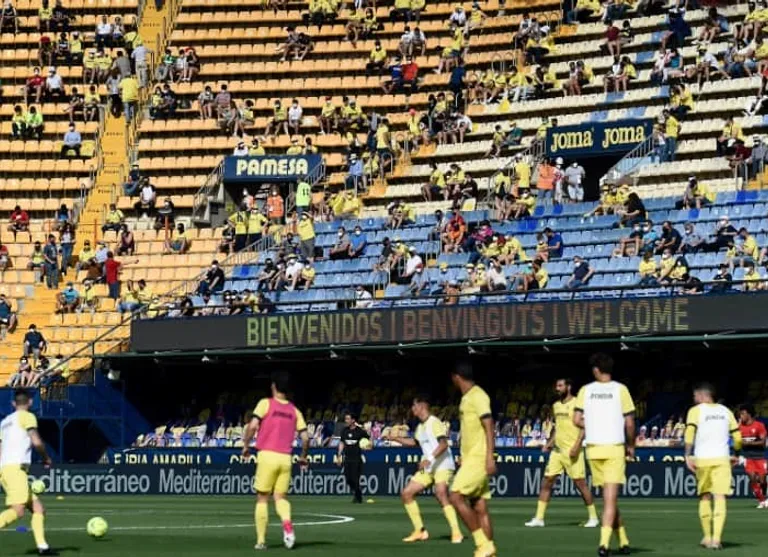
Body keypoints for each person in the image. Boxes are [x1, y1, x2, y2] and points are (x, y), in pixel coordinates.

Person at [573, 353, 634, 557]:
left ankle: (623, 541)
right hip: (614, 448)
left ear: (596, 370)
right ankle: (604, 545)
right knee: (610, 500)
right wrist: (631, 445)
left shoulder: (585, 390)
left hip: (593, 449)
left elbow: (576, 419)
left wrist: (593, 423)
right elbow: (630, 423)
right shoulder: (621, 389)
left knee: (608, 500)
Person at [241, 371, 309, 551]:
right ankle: (287, 525)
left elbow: (253, 426)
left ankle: (261, 541)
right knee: (280, 497)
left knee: (262, 498)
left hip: (267, 455)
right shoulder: (294, 410)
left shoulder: (266, 404)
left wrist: (246, 445)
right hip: (285, 458)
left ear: (273, 386)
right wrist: (303, 456)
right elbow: (305, 438)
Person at [385, 395, 463, 543]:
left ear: (422, 406)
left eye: (414, 405)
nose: (412, 409)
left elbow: (443, 444)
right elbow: (414, 442)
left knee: (440, 493)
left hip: (442, 465)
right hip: (428, 467)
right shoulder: (420, 427)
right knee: (406, 494)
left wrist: (429, 459)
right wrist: (395, 439)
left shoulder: (435, 422)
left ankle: (456, 532)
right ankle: (419, 531)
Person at [526, 378, 600, 528]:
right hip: (557, 451)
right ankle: (539, 518)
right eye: (556, 386)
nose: (557, 388)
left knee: (580, 485)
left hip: (572, 451)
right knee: (547, 481)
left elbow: (585, 426)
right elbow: (557, 429)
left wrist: (577, 446)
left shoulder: (578, 403)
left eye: (560, 386)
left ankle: (593, 517)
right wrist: (549, 444)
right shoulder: (556, 406)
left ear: (569, 387)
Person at [684, 383, 742, 550]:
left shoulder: (695, 411)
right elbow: (738, 438)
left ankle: (707, 537)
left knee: (705, 497)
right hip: (722, 459)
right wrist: (736, 454)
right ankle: (717, 539)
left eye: (695, 396)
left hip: (703, 460)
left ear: (703, 395)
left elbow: (690, 433)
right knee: (720, 497)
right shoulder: (726, 411)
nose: (694, 399)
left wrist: (687, 455)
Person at [449, 360, 496, 557]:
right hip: (470, 458)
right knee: (479, 506)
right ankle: (489, 551)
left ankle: (483, 545)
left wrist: (490, 457)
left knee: (455, 496)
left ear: (456, 377)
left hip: (478, 457)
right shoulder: (467, 397)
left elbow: (489, 425)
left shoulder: (478, 395)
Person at [0, 390, 53, 554]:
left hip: (6, 468)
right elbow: (36, 442)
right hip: (16, 469)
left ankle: (43, 547)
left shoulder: (5, 421)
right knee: (18, 510)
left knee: (38, 508)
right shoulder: (28, 416)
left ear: (13, 404)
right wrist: (46, 458)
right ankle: (42, 546)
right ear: (30, 402)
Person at [737, 404, 767, 509]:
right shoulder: (739, 427)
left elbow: (763, 442)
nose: (741, 416)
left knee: (762, 480)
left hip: (760, 457)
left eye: (743, 413)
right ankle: (761, 501)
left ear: (749, 414)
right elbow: (735, 440)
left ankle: (765, 497)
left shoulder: (759, 425)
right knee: (753, 478)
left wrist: (748, 443)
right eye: (740, 414)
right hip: (748, 457)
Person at [337, 412, 370, 504]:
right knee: (348, 479)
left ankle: (357, 497)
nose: (346, 420)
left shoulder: (360, 431)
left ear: (353, 420)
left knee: (355, 479)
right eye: (345, 419)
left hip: (357, 459)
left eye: (348, 419)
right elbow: (342, 443)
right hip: (347, 459)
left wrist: (368, 446)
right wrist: (339, 455)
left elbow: (369, 440)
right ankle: (358, 494)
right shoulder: (344, 431)